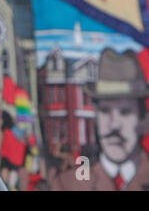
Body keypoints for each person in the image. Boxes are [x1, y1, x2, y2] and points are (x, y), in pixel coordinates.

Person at [52, 48, 149, 190]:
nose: (114, 124)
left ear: (144, 122)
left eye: (125, 112)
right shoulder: (67, 185)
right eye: (105, 111)